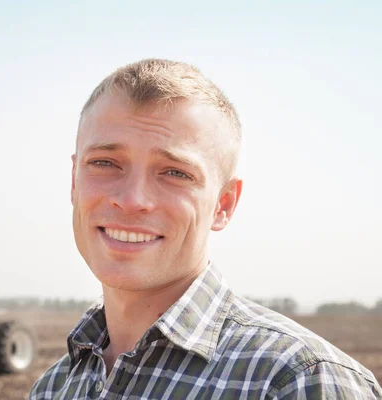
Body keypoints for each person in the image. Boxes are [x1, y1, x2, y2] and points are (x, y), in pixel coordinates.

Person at [28, 59, 382, 399]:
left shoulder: (297, 382)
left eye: (175, 172)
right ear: (74, 181)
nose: (132, 199)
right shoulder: (53, 388)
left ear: (223, 204)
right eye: (105, 163)